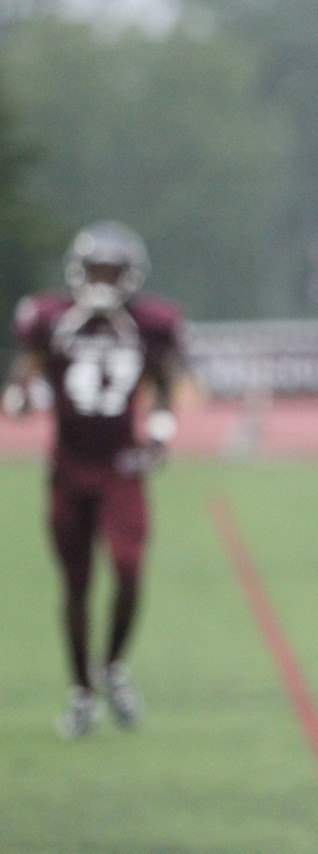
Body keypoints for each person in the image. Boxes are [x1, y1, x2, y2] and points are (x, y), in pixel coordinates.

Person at [2, 219, 186, 738]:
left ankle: (113, 666)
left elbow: (165, 381)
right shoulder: (54, 318)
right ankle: (82, 690)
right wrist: (19, 395)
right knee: (76, 584)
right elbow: (28, 369)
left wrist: (159, 430)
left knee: (128, 569)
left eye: (113, 269)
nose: (103, 279)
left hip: (122, 467)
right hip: (68, 466)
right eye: (95, 268)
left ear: (132, 275)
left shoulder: (148, 324)